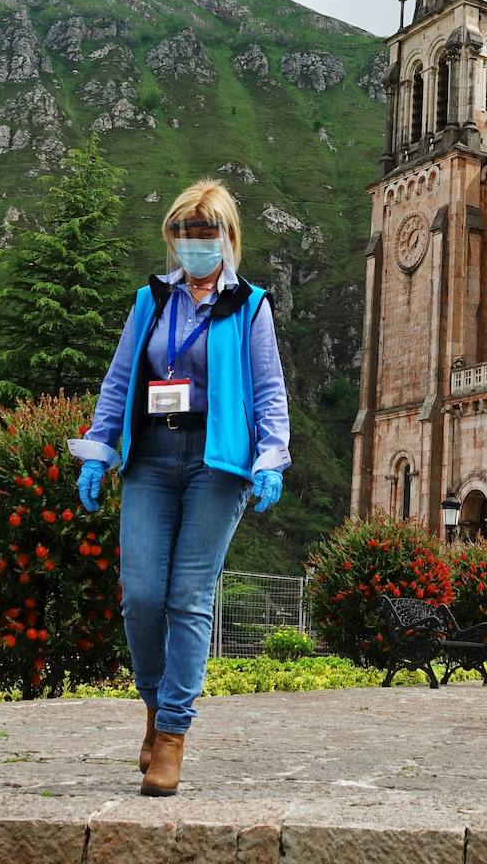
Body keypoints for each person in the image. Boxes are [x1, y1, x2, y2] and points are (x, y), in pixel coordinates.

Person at [67, 179, 290, 796]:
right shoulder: (151, 301)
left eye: (205, 235)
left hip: (217, 465)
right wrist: (99, 447)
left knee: (189, 598)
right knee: (140, 594)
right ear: (172, 238)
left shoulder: (250, 305)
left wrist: (271, 458)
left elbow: (269, 391)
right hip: (151, 458)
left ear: (226, 238)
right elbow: (120, 380)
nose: (193, 246)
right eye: (184, 235)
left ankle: (171, 736)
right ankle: (153, 706)